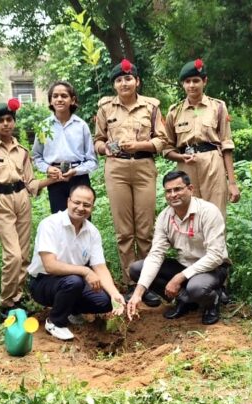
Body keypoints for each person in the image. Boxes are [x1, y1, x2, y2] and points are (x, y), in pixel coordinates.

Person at [93, 59, 168, 303]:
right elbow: (98, 140)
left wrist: (139, 145)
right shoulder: (105, 108)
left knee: (145, 230)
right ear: (114, 85)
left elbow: (162, 140)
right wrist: (107, 148)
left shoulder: (152, 106)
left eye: (128, 78)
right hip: (116, 169)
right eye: (118, 80)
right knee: (124, 231)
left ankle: (147, 284)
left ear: (137, 81)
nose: (123, 83)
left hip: (144, 166)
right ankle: (128, 282)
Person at [127, 171, 229, 325]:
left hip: (211, 268)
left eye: (178, 189)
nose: (173, 195)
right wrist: (138, 293)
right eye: (168, 191)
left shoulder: (208, 211)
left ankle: (212, 301)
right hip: (183, 265)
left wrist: (179, 277)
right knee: (136, 269)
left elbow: (215, 256)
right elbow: (156, 255)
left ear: (190, 189)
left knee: (197, 288)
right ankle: (185, 300)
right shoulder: (164, 217)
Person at [27, 184, 126, 340]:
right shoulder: (50, 224)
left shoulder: (92, 232)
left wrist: (115, 294)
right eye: (77, 203)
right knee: (74, 281)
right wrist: (85, 271)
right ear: (68, 201)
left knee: (104, 301)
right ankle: (55, 322)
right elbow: (50, 265)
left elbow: (100, 267)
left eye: (86, 205)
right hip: (43, 283)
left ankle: (71, 310)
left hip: (72, 282)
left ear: (92, 207)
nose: (81, 208)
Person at [0, 99, 56, 323]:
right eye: (1, 121)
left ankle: (17, 299)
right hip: (1, 199)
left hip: (22, 199)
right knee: (13, 255)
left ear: (14, 122)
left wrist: (52, 180)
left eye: (9, 120)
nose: (6, 124)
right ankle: (5, 303)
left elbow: (30, 183)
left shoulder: (22, 151)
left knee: (24, 255)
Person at [163, 59, 240, 218]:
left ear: (204, 81)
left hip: (213, 164)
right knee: (190, 215)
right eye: (187, 81)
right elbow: (167, 148)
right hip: (186, 166)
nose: (192, 85)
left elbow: (226, 145)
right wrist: (180, 156)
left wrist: (232, 183)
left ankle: (216, 244)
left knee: (215, 215)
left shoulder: (218, 107)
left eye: (196, 81)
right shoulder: (174, 112)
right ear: (183, 84)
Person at [32, 81, 98, 213]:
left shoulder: (81, 125)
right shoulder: (44, 127)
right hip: (55, 179)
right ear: (50, 101)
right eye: (55, 96)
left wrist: (76, 171)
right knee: (59, 219)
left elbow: (93, 161)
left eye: (64, 96)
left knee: (82, 216)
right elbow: (37, 156)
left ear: (72, 100)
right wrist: (48, 168)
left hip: (79, 178)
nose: (59, 99)